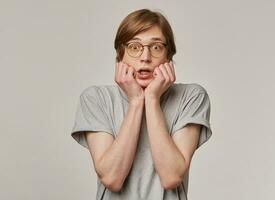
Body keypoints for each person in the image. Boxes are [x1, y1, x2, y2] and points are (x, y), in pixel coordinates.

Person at [71, 8, 212, 200]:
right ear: (121, 54)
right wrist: (136, 101)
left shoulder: (191, 96)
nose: (145, 57)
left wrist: (152, 99)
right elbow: (112, 178)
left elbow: (172, 176)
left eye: (156, 47)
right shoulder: (96, 99)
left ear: (168, 56)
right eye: (134, 47)